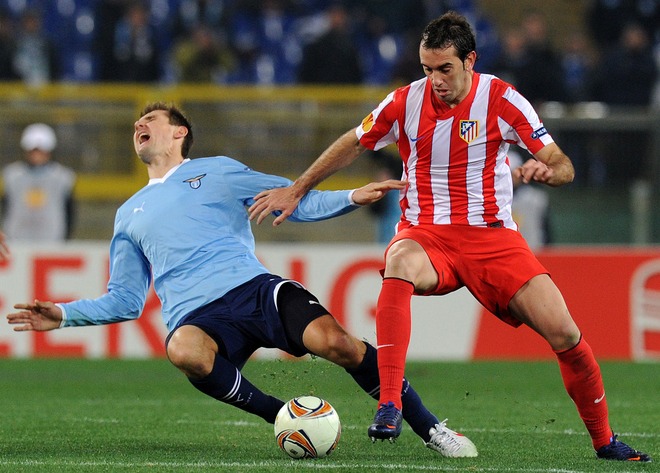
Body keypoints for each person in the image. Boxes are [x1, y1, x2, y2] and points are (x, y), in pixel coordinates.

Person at [247, 11, 651, 462]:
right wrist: (297, 188)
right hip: (428, 235)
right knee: (398, 260)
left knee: (567, 335)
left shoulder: (502, 99)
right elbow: (353, 142)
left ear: (470, 61)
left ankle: (605, 441)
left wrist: (546, 170)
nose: (435, 80)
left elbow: (562, 163)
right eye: (426, 69)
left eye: (444, 69)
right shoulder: (404, 102)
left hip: (493, 239)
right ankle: (390, 405)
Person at [6, 102, 478, 459]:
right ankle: (282, 416)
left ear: (179, 132)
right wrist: (65, 314)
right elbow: (128, 299)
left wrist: (352, 195)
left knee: (340, 345)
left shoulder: (217, 172)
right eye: (137, 123)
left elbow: (293, 198)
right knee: (182, 349)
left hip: (255, 291)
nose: (139, 126)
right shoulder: (127, 214)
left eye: (150, 119)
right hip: (197, 317)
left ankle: (432, 429)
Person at [1, 123, 76, 242]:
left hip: (51, 241)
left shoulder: (62, 177)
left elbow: (69, 211)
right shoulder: (12, 176)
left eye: (41, 151)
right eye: (33, 150)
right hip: (17, 240)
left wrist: (66, 238)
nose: (37, 155)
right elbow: (6, 207)